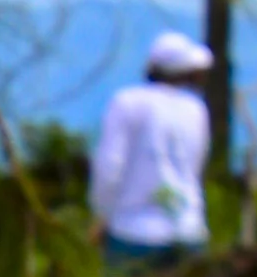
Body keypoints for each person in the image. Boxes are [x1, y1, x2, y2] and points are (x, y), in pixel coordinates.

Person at [90, 26, 217, 261]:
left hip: (134, 232)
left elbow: (109, 168)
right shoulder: (196, 110)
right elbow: (197, 167)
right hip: (188, 229)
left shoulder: (126, 103)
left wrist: (102, 214)